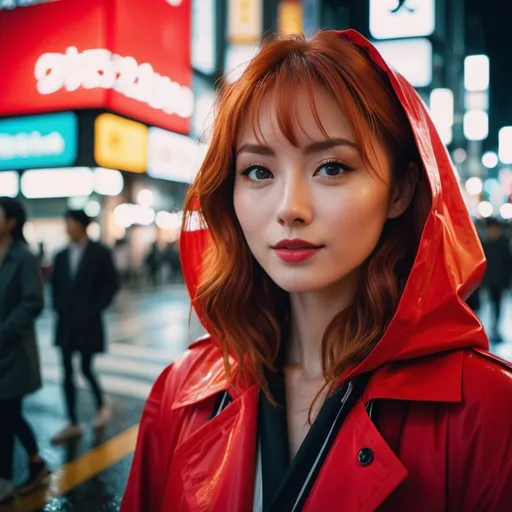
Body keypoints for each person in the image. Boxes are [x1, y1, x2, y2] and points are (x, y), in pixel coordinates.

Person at [122, 30, 512, 511]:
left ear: (401, 190)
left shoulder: (490, 412)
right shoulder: (180, 393)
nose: (290, 209)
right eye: (258, 172)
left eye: (331, 167)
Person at [50, 210, 119, 444]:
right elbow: (56, 286)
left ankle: (100, 404)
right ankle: (72, 420)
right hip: (66, 322)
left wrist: (94, 308)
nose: (67, 227)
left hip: (88, 322)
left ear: (81, 226)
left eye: (69, 223)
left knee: (87, 368)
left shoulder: (99, 252)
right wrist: (59, 306)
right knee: (66, 371)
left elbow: (111, 284)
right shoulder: (60, 255)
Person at [0, 198, 50, 504]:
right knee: (8, 414)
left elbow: (34, 302)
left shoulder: (25, 257)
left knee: (6, 414)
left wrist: (5, 330)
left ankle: (5, 479)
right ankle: (35, 461)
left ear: (11, 222)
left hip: (13, 351)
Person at [481, 217, 512, 342]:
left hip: (500, 281)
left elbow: (508, 263)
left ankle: (495, 327)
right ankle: (492, 328)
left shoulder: (503, 243)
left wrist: (506, 279)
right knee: (491, 304)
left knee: (497, 305)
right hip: (489, 281)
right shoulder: (486, 244)